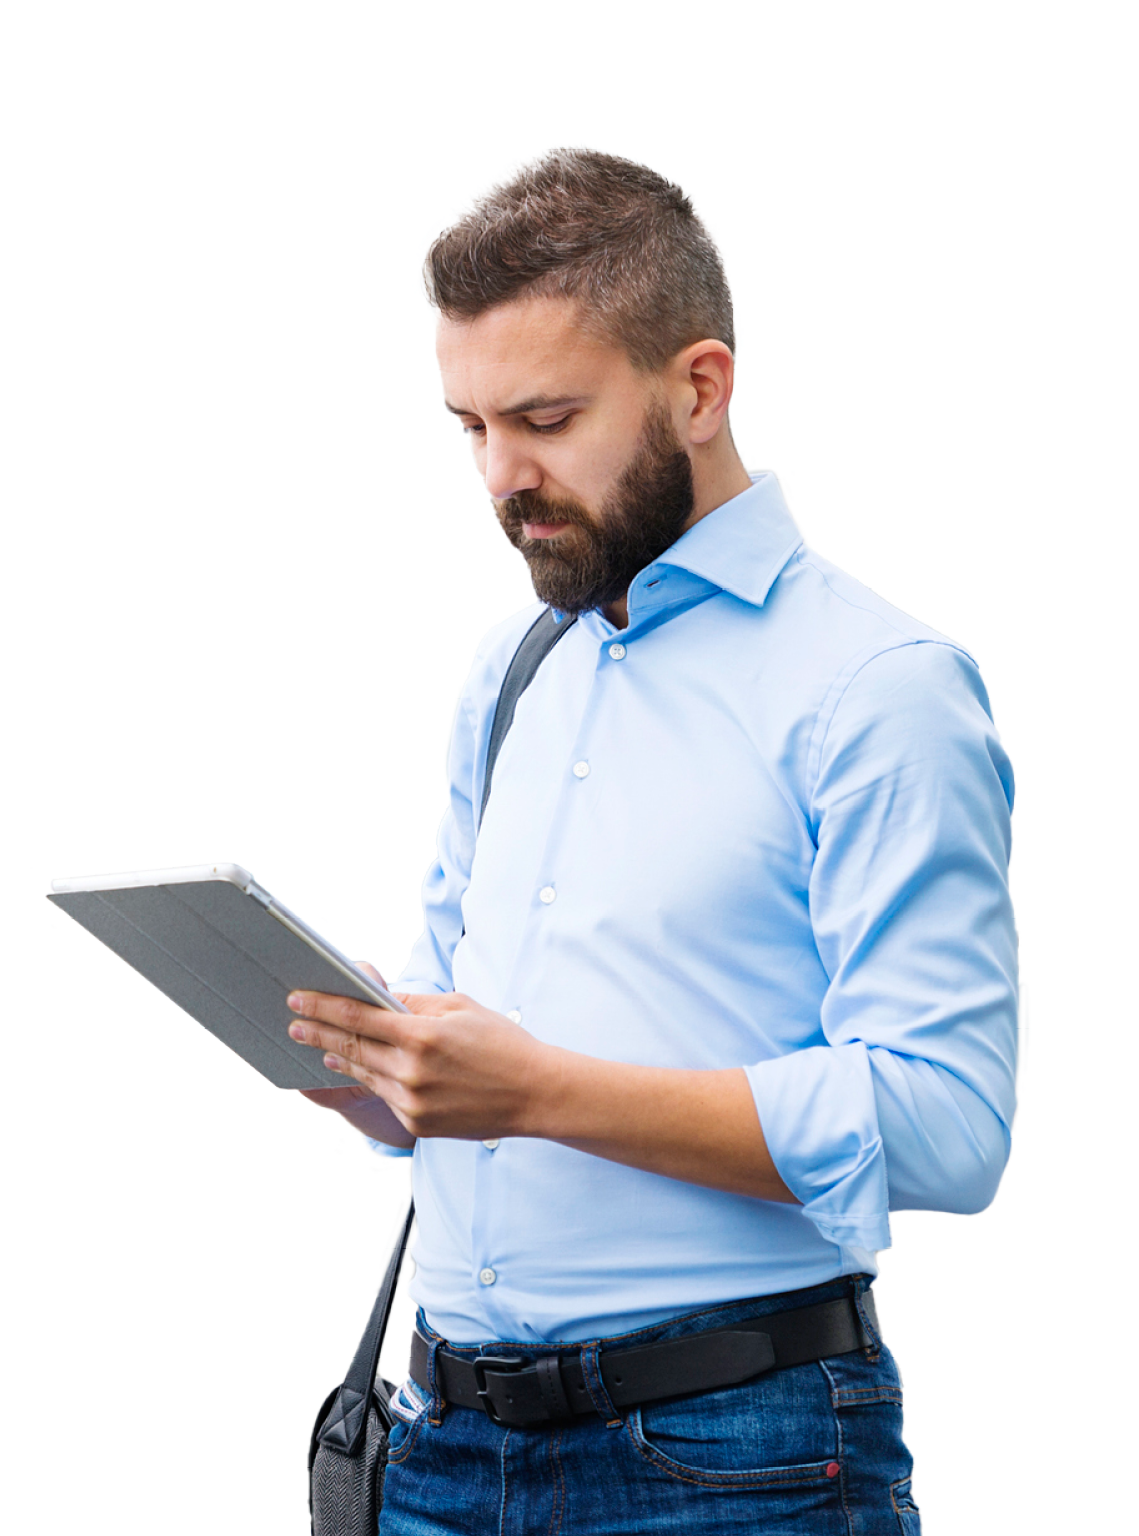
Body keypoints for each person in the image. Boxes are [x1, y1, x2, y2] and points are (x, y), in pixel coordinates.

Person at [287, 144, 1020, 1534]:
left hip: (730, 1464)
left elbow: (947, 1122)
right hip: (443, 1452)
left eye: (546, 419)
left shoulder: (875, 691)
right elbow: (460, 1065)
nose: (503, 478)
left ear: (697, 387)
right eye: (470, 427)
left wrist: (536, 1090)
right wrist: (372, 1073)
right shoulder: (512, 671)